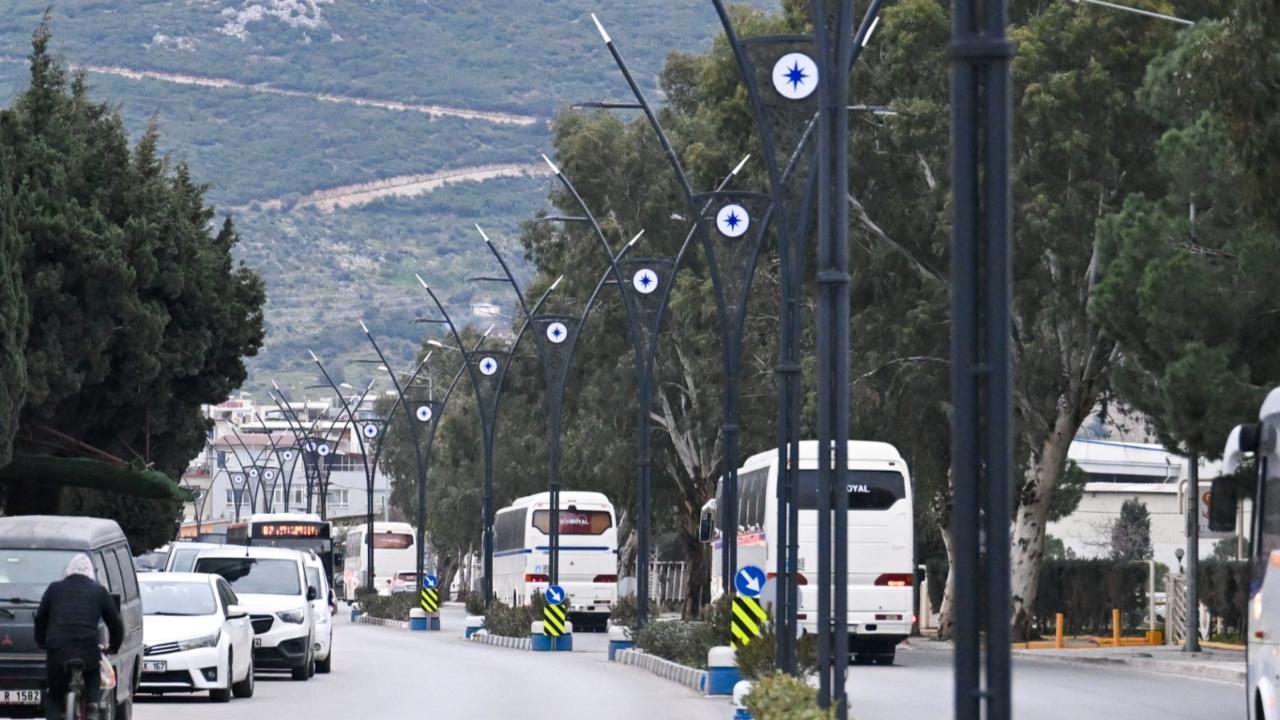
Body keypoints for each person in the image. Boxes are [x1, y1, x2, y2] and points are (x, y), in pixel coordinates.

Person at [33, 555, 124, 720]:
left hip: (58, 650)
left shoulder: (54, 589)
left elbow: (40, 619)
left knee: (54, 695)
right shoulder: (99, 591)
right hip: (87, 650)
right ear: (90, 574)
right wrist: (113, 647)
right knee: (92, 671)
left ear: (68, 571)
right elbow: (116, 624)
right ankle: (92, 706)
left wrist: (41, 642)